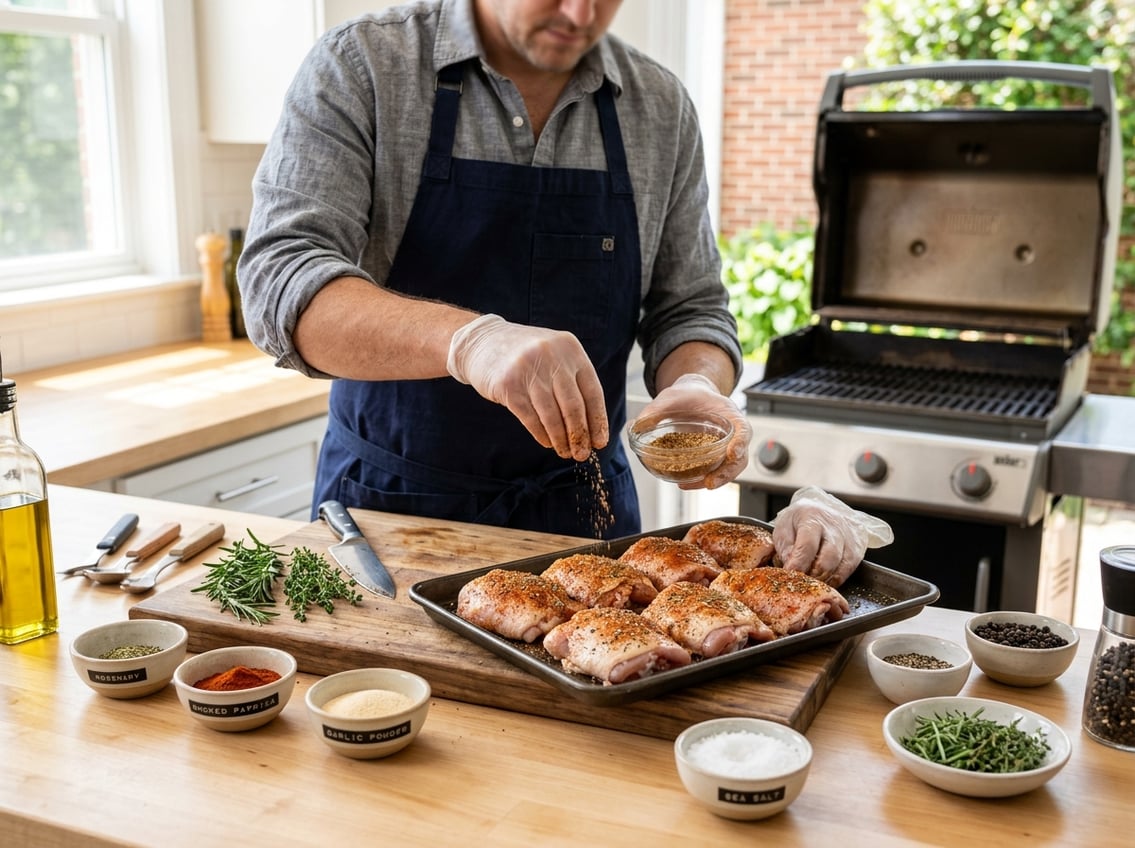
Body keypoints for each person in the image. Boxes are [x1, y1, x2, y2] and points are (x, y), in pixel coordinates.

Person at [239, 0, 889, 587]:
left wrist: (694, 386)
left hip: (586, 516)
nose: (580, 13)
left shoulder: (657, 105)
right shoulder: (365, 65)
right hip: (393, 513)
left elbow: (689, 306)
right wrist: (471, 343)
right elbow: (280, 282)